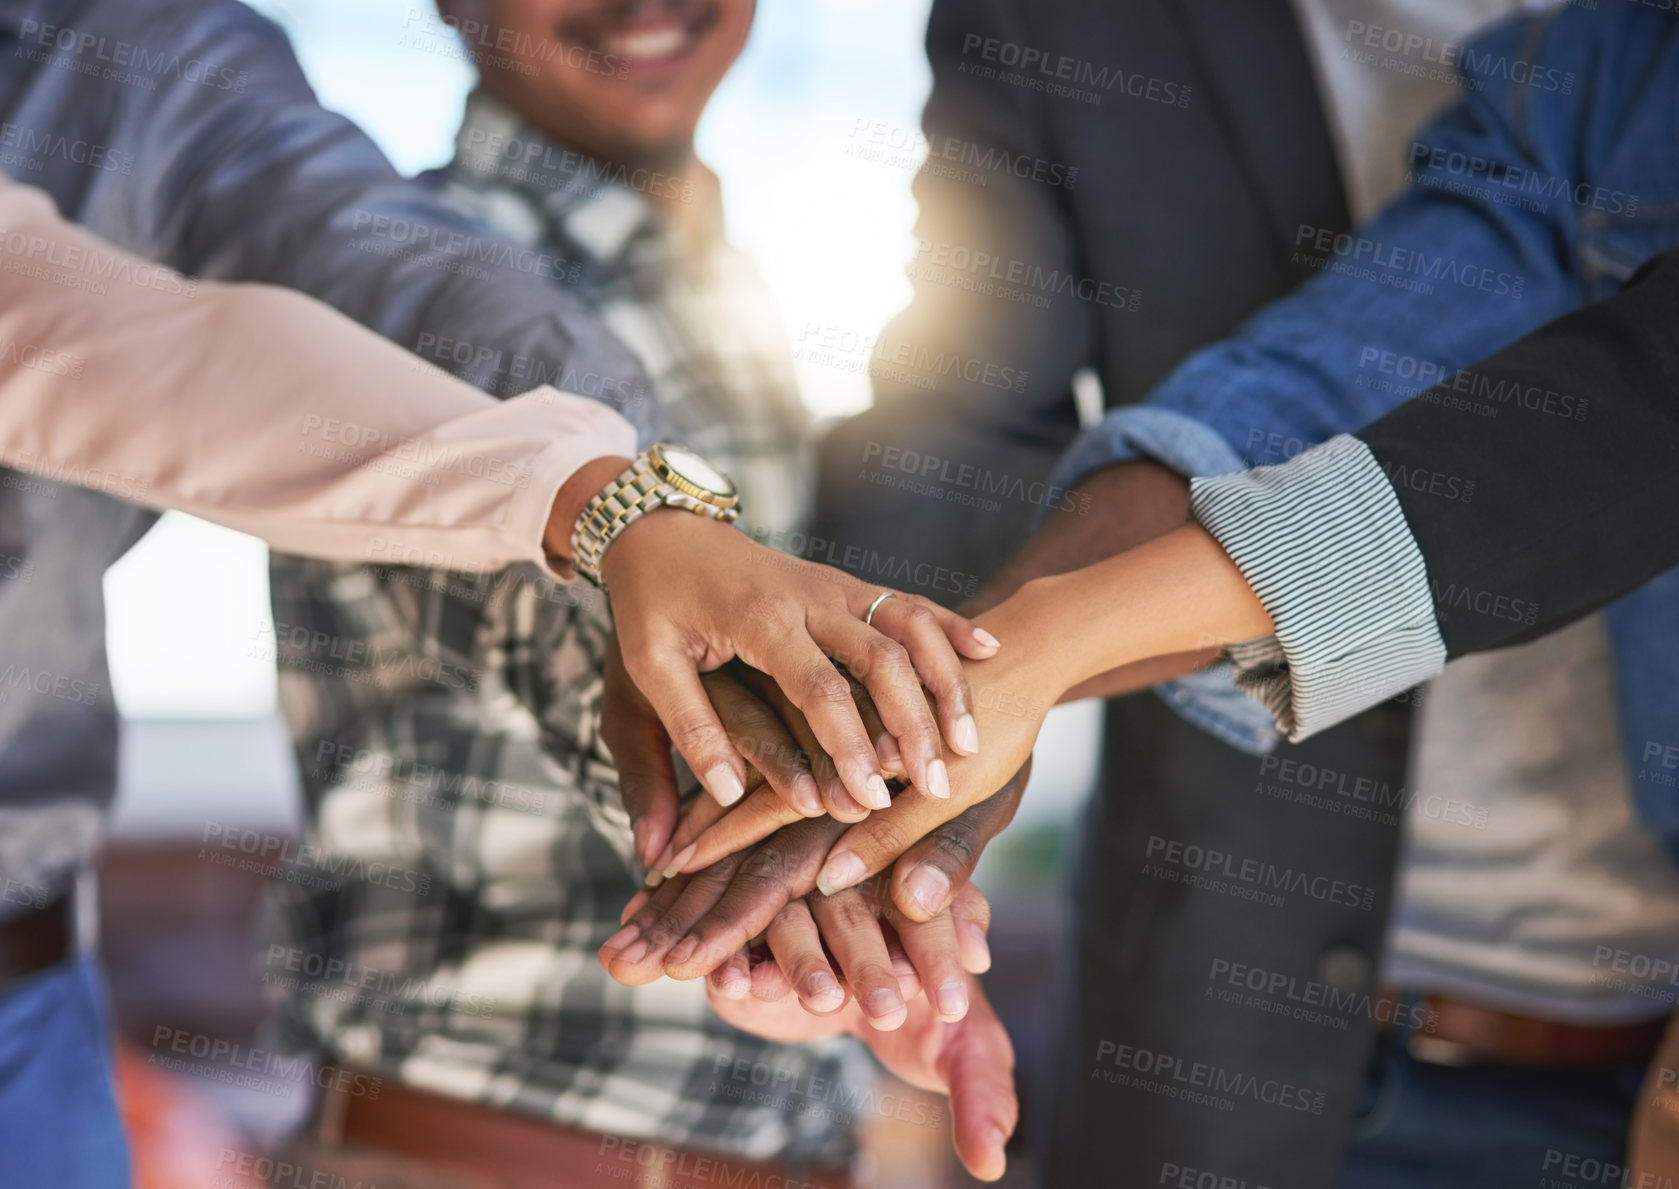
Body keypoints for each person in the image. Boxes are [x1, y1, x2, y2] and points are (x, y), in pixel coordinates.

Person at [637, 7, 1679, 1187]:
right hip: (1224, 1032)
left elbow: (1621, 428)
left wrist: (1014, 666)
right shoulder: (1583, 85)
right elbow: (1286, 394)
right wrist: (926, 721)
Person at [0, 1, 992, 1184]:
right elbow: (514, 594)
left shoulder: (735, 294)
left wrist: (868, 880)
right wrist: (783, 817)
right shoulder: (420, 285)